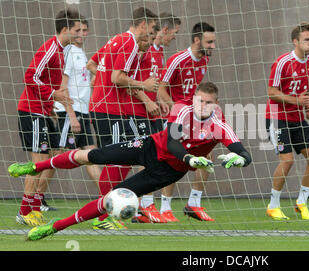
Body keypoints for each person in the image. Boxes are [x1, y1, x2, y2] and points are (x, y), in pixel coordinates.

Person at [8, 82, 252, 241]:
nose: (202, 106)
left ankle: (54, 227)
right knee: (94, 155)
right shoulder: (182, 109)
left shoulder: (220, 127)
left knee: (109, 199)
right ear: (194, 100)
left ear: (215, 104)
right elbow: (173, 143)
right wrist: (190, 158)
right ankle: (35, 166)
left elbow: (245, 154)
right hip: (149, 147)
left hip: (166, 173)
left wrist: (238, 159)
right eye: (199, 100)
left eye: (208, 102)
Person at [85, 7, 159, 230]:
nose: (153, 35)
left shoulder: (115, 39)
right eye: (153, 29)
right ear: (143, 25)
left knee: (122, 159)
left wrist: (101, 82)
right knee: (117, 159)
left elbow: (91, 63)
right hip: (110, 109)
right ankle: (102, 216)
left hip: (106, 107)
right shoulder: (130, 43)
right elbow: (118, 78)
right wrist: (143, 85)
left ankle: (108, 211)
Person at [15, 9, 84, 226]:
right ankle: (25, 212)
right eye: (77, 30)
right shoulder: (50, 49)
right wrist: (54, 95)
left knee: (53, 159)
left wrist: (51, 105)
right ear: (65, 29)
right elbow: (30, 76)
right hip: (32, 111)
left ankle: (35, 208)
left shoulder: (63, 51)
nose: (81, 35)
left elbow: (45, 81)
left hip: (44, 111)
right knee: (38, 164)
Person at [157, 22, 217, 222]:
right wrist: (178, 111)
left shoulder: (203, 61)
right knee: (172, 161)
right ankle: (165, 207)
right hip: (176, 118)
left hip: (194, 118)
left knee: (207, 155)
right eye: (209, 42)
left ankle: (194, 203)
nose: (213, 46)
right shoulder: (178, 60)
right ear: (197, 40)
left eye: (214, 42)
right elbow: (161, 90)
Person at [265, 23, 309, 221]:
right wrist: (297, 101)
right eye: (306, 40)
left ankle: (302, 202)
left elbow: (307, 89)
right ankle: (273, 205)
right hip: (277, 118)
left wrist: (307, 106)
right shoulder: (283, 63)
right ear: (295, 42)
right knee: (287, 160)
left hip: (297, 118)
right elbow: (272, 93)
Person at [129, 13, 182, 224]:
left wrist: (158, 101)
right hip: (137, 110)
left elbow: (155, 84)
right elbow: (131, 79)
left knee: (155, 156)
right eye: (174, 34)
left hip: (152, 111)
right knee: (144, 156)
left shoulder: (159, 54)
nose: (174, 39)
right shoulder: (144, 48)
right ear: (165, 30)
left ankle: (144, 206)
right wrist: (147, 100)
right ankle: (142, 206)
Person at [51, 18, 101, 203]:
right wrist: (71, 115)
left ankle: (107, 197)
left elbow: (80, 83)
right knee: (56, 158)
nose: (82, 34)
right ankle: (33, 198)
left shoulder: (80, 52)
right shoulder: (69, 52)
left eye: (85, 30)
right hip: (70, 113)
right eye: (78, 30)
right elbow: (63, 86)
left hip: (83, 112)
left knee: (91, 154)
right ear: (69, 30)